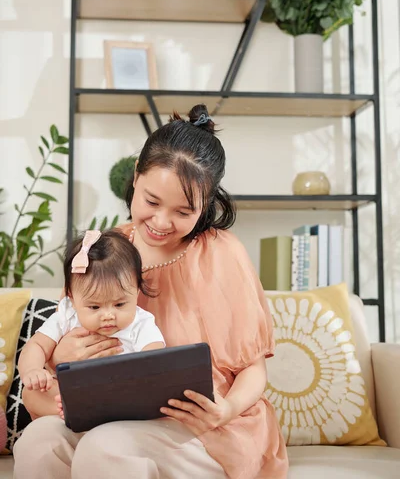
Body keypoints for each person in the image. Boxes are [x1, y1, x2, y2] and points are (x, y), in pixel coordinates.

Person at [14, 104, 289, 479]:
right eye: (151, 201)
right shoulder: (104, 251)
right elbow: (55, 349)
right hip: (107, 416)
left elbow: (253, 369)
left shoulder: (221, 253)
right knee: (38, 441)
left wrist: (226, 409)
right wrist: (63, 353)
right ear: (135, 179)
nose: (161, 222)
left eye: (183, 211)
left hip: (201, 429)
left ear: (206, 205)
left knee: (106, 448)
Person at [19, 229, 165, 419]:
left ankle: (96, 412)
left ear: (136, 291)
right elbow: (37, 345)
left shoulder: (140, 323)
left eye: (120, 304)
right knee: (31, 394)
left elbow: (154, 357)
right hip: (74, 392)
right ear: (71, 298)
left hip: (120, 396)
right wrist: (33, 371)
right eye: (94, 307)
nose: (108, 315)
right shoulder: (67, 315)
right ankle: (73, 410)